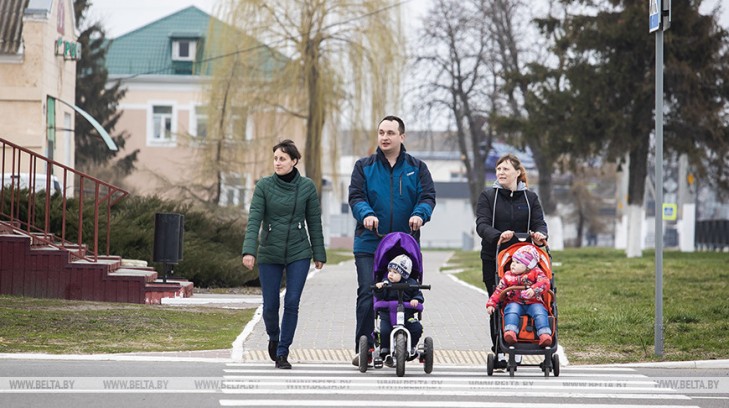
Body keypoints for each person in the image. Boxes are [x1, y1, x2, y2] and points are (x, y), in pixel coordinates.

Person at [348, 115, 436, 366]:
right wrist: (366, 215)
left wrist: (420, 214)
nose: (384, 137)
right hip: (370, 242)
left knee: (403, 294)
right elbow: (356, 197)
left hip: (404, 245)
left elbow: (427, 197)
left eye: (390, 133)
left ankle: (399, 341)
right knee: (368, 293)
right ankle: (366, 347)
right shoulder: (364, 166)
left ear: (402, 136)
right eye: (381, 133)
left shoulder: (417, 168)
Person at [241, 139, 326, 369]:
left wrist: (318, 253)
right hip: (270, 251)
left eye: (282, 159)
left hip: (299, 251)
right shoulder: (264, 186)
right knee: (270, 305)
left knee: (291, 301)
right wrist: (249, 250)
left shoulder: (307, 187)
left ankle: (282, 352)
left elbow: (314, 222)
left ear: (294, 161)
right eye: (275, 159)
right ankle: (273, 336)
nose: (277, 163)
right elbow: (254, 219)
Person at [475, 154, 548, 361]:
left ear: (517, 172)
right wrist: (498, 235)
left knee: (528, 300)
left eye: (505, 169)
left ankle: (523, 341)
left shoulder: (530, 198)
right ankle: (500, 348)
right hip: (494, 258)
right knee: (498, 301)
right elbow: (481, 224)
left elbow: (539, 223)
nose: (501, 172)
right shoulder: (488, 196)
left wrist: (540, 234)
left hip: (525, 264)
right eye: (498, 169)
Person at [486, 245, 553, 347]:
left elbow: (545, 282)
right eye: (513, 261)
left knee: (540, 312)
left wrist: (533, 290)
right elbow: (499, 290)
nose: (513, 265)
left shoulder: (536, 273)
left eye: (517, 262)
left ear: (528, 266)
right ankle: (510, 332)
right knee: (511, 310)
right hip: (514, 302)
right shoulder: (508, 276)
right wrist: (491, 303)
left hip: (534, 302)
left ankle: (544, 334)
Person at [373, 254, 424, 365]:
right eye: (389, 271)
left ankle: (411, 347)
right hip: (388, 315)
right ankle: (385, 349)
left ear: (404, 275)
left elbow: (418, 294)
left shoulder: (411, 284)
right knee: (384, 331)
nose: (390, 274)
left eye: (395, 272)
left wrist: (416, 299)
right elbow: (380, 296)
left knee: (417, 328)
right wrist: (379, 289)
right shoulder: (386, 283)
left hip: (407, 316)